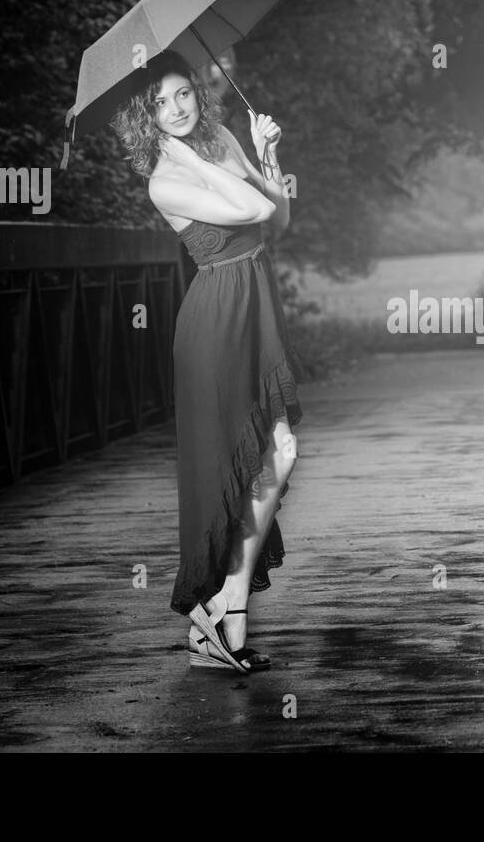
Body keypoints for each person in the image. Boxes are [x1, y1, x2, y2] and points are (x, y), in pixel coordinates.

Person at [111, 51, 300, 673]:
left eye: (184, 93)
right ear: (147, 115)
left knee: (278, 453)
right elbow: (250, 211)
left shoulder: (219, 135)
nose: (177, 108)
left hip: (255, 300)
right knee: (246, 460)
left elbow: (280, 216)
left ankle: (228, 605)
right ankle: (224, 613)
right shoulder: (165, 180)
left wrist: (265, 152)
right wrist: (196, 159)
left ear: (198, 92)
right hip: (214, 318)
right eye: (161, 102)